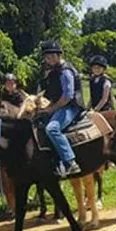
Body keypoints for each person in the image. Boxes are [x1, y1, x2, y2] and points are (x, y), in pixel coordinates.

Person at [36, 40, 85, 177]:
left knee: (52, 128)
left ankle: (70, 162)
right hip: (58, 106)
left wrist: (51, 109)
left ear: (59, 55)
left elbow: (67, 96)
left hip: (71, 107)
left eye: (52, 55)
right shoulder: (51, 72)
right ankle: (53, 162)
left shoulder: (65, 71)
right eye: (46, 56)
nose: (49, 59)